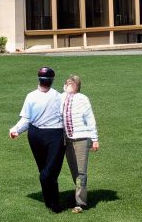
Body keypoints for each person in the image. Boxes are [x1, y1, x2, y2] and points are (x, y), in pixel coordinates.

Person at [9, 64, 68, 211]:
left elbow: (67, 118)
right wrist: (16, 129)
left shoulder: (59, 97)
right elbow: (26, 119)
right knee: (44, 169)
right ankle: (51, 202)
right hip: (36, 135)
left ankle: (54, 204)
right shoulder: (31, 96)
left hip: (55, 134)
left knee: (49, 171)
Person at [61, 74, 101, 213]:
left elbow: (90, 119)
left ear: (77, 85)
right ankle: (79, 193)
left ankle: (80, 203)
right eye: (67, 83)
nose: (69, 85)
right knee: (74, 171)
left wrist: (94, 139)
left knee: (81, 171)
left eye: (72, 83)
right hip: (66, 139)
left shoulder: (83, 99)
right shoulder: (61, 98)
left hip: (81, 139)